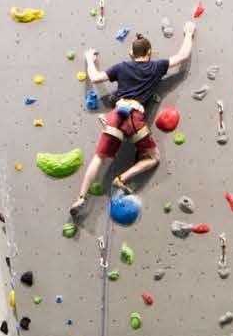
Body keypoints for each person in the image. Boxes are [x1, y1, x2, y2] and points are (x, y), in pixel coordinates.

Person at [69, 22, 196, 224]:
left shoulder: (122, 67)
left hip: (116, 115)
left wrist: (89, 59)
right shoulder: (155, 67)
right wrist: (188, 33)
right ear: (150, 52)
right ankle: (121, 179)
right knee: (153, 157)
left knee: (99, 158)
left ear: (131, 54)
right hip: (135, 117)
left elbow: (95, 77)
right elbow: (182, 56)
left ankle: (81, 198)